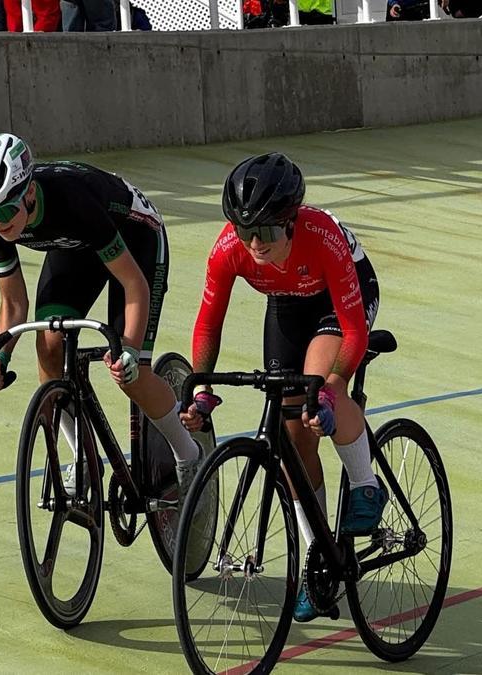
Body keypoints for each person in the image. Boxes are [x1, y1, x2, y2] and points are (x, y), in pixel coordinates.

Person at [180, 153, 387, 622]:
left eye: (267, 233)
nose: (254, 244)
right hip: (287, 302)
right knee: (292, 435)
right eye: (244, 231)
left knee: (319, 386)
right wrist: (200, 390)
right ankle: (318, 563)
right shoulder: (230, 248)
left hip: (341, 297)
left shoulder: (322, 237)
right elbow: (208, 325)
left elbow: (352, 334)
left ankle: (365, 484)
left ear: (291, 223)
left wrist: (332, 392)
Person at [0, 133, 204, 494]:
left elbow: (134, 286)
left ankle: (189, 455)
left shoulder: (72, 200)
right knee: (48, 344)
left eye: (4, 212)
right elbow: (14, 305)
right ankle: (83, 456)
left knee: (130, 374)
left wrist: (129, 351)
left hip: (134, 236)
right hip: (75, 245)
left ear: (28, 192)